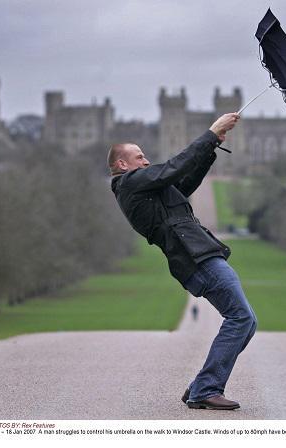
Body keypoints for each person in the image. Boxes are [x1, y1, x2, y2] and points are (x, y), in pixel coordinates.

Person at [108, 113, 257, 411]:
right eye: (139, 157)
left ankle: (203, 385)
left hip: (200, 255)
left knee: (246, 321)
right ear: (122, 164)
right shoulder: (129, 184)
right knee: (241, 318)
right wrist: (211, 133)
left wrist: (210, 149)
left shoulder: (150, 189)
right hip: (196, 259)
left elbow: (183, 181)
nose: (146, 160)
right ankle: (206, 389)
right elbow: (172, 168)